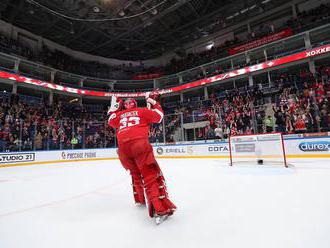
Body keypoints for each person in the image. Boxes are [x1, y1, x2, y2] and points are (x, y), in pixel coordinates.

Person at [108, 92, 176, 224]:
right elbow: (159, 116)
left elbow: (111, 121)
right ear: (135, 104)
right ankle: (160, 210)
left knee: (135, 174)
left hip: (123, 149)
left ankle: (140, 199)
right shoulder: (142, 111)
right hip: (139, 144)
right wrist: (153, 102)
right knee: (151, 176)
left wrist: (115, 108)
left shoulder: (119, 115)